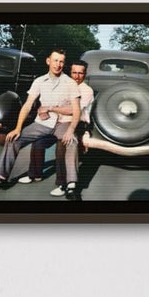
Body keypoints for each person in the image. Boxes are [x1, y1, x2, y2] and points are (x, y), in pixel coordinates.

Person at [0, 49, 80, 189]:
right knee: (13, 138)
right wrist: (18, 128)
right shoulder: (39, 81)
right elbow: (27, 105)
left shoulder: (70, 83)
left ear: (64, 64)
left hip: (63, 123)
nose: (58, 64)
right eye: (55, 60)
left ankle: (71, 185)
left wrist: (71, 130)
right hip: (43, 122)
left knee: (72, 141)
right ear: (48, 61)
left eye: (61, 61)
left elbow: (77, 110)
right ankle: (1, 179)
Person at [51, 60, 95, 198]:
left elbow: (75, 111)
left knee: (67, 141)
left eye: (80, 73)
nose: (77, 76)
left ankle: (68, 185)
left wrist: (56, 108)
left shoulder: (87, 91)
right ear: (70, 73)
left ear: (85, 74)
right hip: (61, 122)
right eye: (74, 73)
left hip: (80, 122)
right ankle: (67, 184)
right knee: (63, 139)